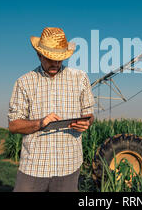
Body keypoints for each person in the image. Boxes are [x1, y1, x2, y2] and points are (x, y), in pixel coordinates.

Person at [8, 27, 95, 192]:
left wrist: (87, 123)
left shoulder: (80, 78)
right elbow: (14, 125)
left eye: (60, 59)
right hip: (34, 167)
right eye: (50, 59)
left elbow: (89, 115)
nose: (55, 63)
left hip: (69, 165)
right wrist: (41, 123)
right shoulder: (24, 82)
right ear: (39, 55)